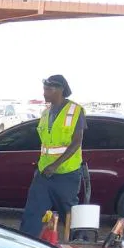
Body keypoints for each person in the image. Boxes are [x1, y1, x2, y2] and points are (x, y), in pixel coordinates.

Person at [20, 74, 86, 237]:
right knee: (33, 213)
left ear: (60, 90)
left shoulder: (75, 111)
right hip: (44, 173)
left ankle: (80, 245)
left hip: (66, 174)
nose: (44, 93)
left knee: (69, 214)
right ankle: (26, 245)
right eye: (44, 89)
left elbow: (76, 142)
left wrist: (55, 165)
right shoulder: (45, 113)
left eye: (48, 89)